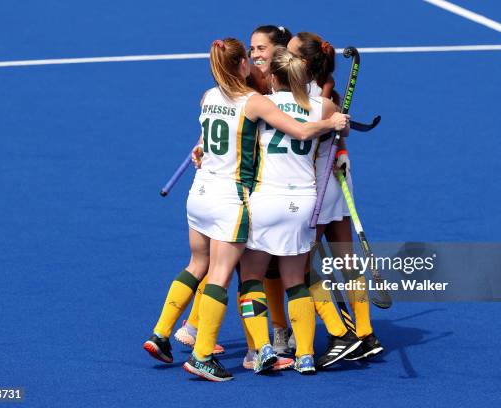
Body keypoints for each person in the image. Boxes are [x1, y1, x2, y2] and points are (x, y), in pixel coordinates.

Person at [146, 38, 349, 382]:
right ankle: (205, 354)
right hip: (232, 200)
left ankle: (161, 334)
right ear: (242, 64)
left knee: (197, 265)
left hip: (199, 194)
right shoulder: (255, 102)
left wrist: (199, 150)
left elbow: (207, 140)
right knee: (224, 276)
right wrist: (331, 124)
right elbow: (300, 128)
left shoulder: (207, 97)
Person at [239, 47, 350, 375]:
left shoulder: (262, 105)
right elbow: (341, 128)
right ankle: (304, 355)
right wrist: (337, 120)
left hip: (266, 201)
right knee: (295, 280)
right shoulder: (323, 106)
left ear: (273, 78)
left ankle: (262, 349)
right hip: (303, 203)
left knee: (250, 279)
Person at [288, 32, 384, 366]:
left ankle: (340, 332)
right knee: (344, 259)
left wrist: (340, 143)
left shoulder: (301, 95)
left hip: (315, 184)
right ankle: (365, 332)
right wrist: (342, 145)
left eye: (290, 54)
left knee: (300, 264)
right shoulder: (326, 92)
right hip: (338, 181)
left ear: (304, 63)